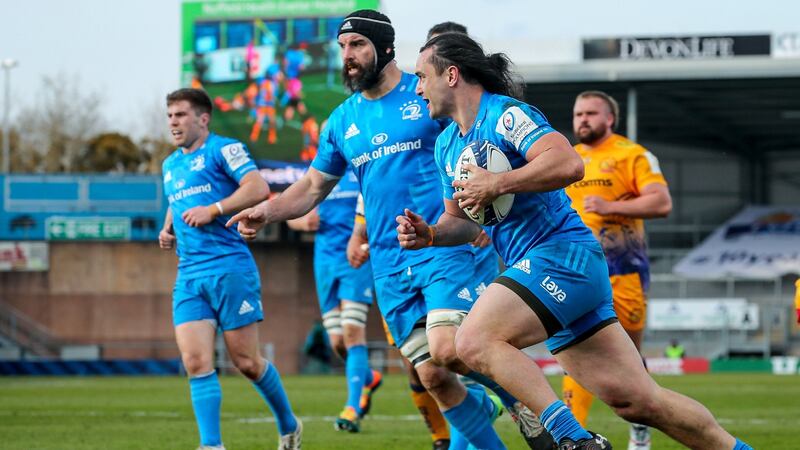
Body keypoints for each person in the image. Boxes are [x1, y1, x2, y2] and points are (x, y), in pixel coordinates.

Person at [399, 32, 753, 450]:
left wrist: (498, 182)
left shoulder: (506, 115)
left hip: (562, 256)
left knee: (473, 340)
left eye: (421, 76)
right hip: (544, 270)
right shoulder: (446, 145)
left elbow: (569, 162)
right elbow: (460, 220)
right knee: (638, 402)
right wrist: (431, 234)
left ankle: (573, 440)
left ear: (452, 75)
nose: (417, 88)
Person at [228, 10, 515, 450]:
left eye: (358, 45)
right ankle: (509, 410)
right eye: (342, 47)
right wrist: (266, 211)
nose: (348, 55)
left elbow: (478, 141)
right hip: (388, 263)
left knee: (451, 350)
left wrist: (481, 212)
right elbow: (311, 187)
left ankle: (528, 403)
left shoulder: (426, 92)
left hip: (445, 246)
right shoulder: (341, 121)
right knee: (433, 376)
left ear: (385, 47)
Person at [158, 88, 302, 450]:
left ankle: (289, 424)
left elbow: (258, 187)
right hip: (189, 275)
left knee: (247, 362)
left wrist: (215, 210)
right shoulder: (169, 165)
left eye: (181, 115)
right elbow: (179, 199)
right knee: (195, 361)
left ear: (203, 119)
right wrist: (168, 227)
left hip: (229, 269)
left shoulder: (224, 149)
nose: (173, 122)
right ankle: (212, 445)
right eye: (170, 115)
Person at [563, 90, 673, 450]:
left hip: (624, 271)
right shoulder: (568, 158)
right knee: (576, 352)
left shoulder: (633, 154)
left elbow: (661, 202)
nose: (582, 119)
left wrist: (611, 206)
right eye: (578, 113)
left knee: (629, 358)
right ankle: (571, 436)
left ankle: (641, 424)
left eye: (591, 113)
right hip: (575, 271)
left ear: (610, 119)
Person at [286, 169, 383, 433]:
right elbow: (291, 213)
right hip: (325, 262)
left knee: (352, 332)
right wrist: (302, 223)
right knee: (337, 342)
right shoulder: (318, 174)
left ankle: (352, 408)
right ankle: (368, 377)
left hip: (356, 257)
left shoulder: (361, 168)